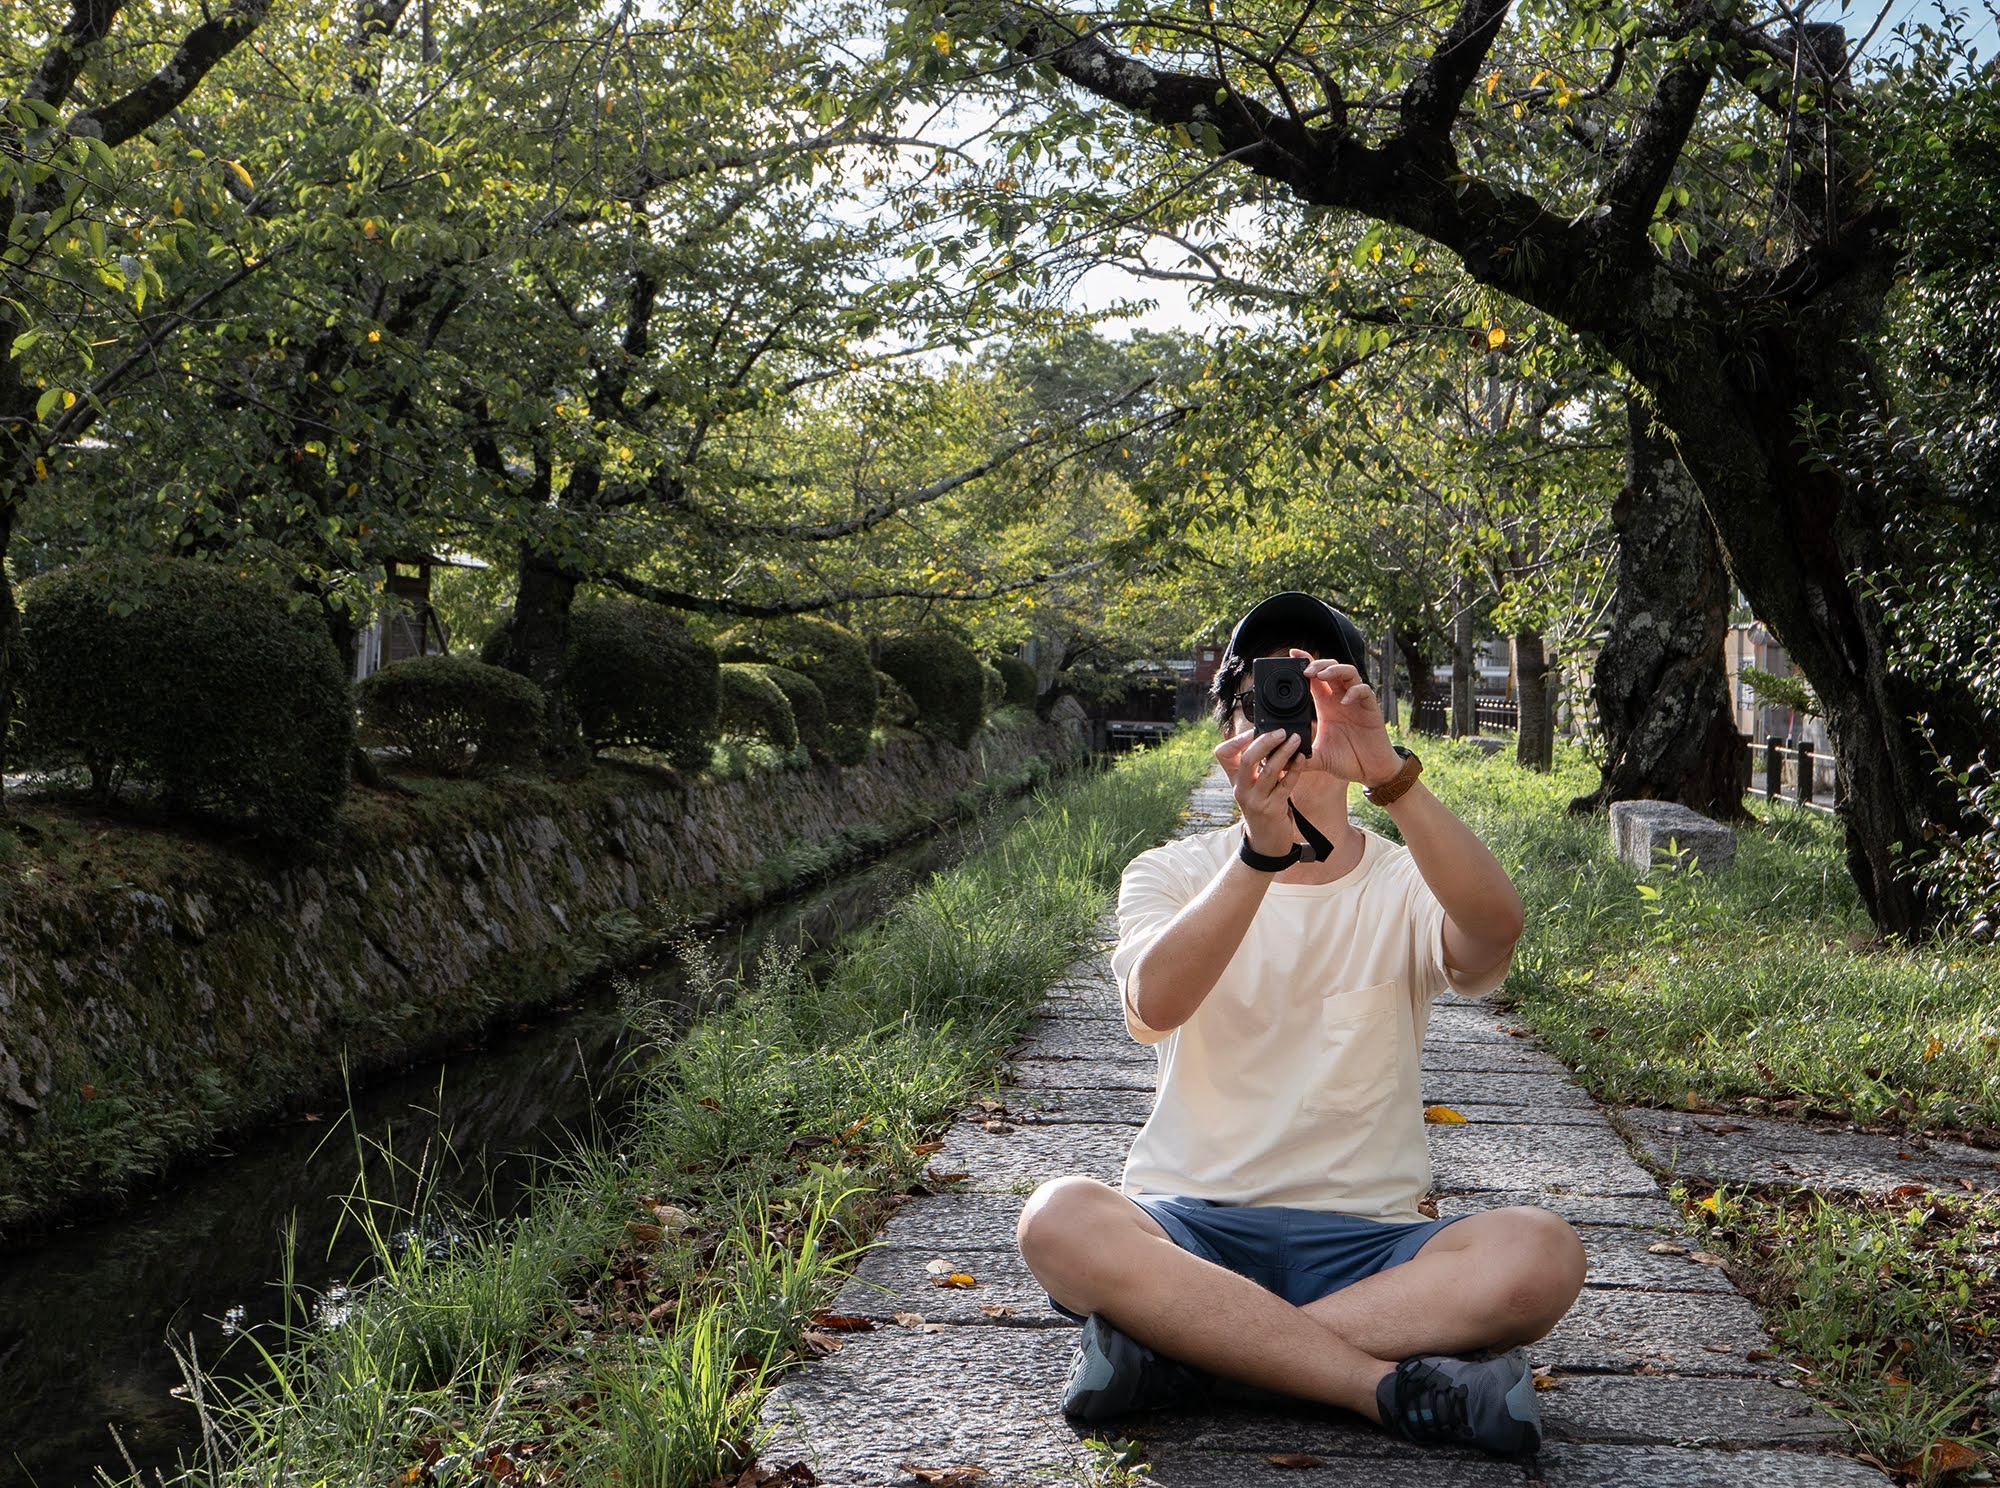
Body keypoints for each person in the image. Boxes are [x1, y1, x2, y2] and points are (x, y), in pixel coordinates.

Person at [1015, 592, 1585, 1455]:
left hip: (1373, 1242)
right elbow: (1154, 1006)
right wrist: (1257, 854)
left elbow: (1494, 933)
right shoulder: (1171, 872)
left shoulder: (1402, 878)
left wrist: (1391, 777)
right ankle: (1374, 1386)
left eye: (1315, 692)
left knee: (1542, 1253)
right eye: (1269, 696)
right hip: (1187, 1227)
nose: (1293, 718)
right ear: (1231, 733)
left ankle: (1188, 1353)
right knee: (1056, 1218)